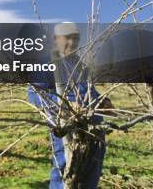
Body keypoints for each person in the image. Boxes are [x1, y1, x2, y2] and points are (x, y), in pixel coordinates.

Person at [27, 22, 112, 189]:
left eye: (76, 38)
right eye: (68, 38)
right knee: (65, 171)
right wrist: (65, 106)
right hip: (67, 129)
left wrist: (103, 101)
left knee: (91, 172)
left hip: (93, 128)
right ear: (56, 39)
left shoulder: (80, 64)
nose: (72, 43)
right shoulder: (46, 62)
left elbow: (89, 91)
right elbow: (34, 93)